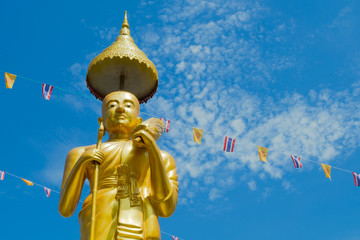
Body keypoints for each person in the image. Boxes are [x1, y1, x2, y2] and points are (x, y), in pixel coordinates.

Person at [59, 91, 178, 240]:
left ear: (139, 120)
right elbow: (66, 209)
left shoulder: (161, 156)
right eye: (112, 105)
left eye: (128, 105)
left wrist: (152, 148)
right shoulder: (80, 152)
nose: (120, 109)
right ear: (101, 121)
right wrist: (81, 162)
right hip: (98, 221)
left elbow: (167, 208)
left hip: (142, 222)